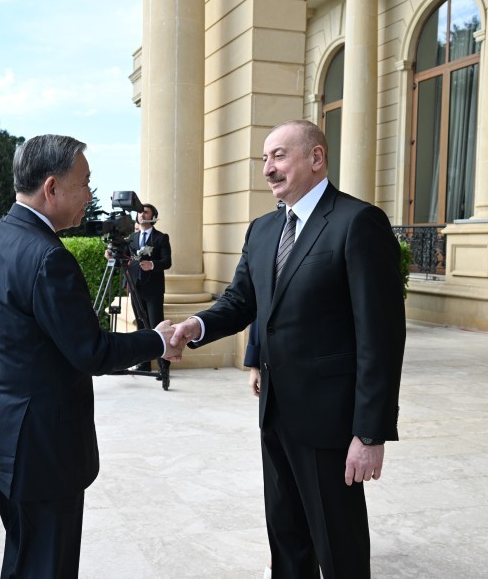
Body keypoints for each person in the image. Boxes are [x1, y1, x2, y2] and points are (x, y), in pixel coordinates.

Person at [169, 119, 406, 578]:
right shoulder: (262, 230)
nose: (267, 169)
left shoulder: (358, 222)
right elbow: (242, 301)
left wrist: (370, 433)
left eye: (278, 155)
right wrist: (196, 325)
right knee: (286, 538)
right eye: (264, 158)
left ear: (316, 158)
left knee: (338, 547)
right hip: (276, 413)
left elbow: (381, 337)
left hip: (331, 422)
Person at [0, 134, 181, 578]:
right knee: (48, 565)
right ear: (51, 187)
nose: (89, 194)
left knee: (23, 557)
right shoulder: (48, 256)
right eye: (84, 182)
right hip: (42, 451)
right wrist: (156, 340)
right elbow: (91, 351)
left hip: (0, 434)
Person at [123, 204, 172, 378]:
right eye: (139, 212)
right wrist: (111, 255)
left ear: (153, 216)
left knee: (156, 325)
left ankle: (163, 366)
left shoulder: (161, 238)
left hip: (153, 290)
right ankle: (144, 363)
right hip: (135, 288)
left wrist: (152, 265)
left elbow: (167, 262)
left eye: (145, 212)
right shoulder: (132, 238)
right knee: (141, 326)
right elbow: (125, 257)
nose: (141, 215)